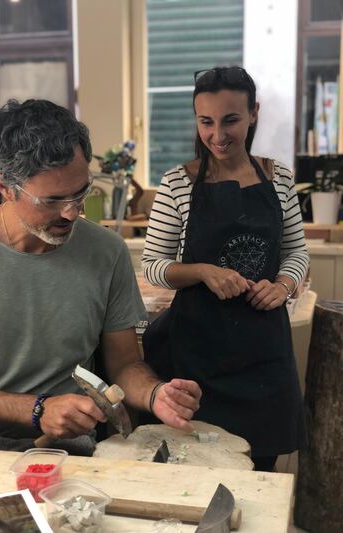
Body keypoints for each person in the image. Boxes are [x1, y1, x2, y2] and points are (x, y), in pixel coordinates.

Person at [0, 99, 201, 453]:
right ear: (4, 186)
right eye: (52, 200)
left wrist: (155, 394)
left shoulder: (106, 251)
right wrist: (37, 411)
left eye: (81, 193)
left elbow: (125, 365)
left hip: (67, 452)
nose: (71, 212)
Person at [142, 67, 310, 472]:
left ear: (253, 113)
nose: (218, 135)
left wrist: (285, 284)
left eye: (231, 120)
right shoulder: (178, 183)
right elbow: (152, 266)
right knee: (193, 470)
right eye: (206, 122)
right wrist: (201, 271)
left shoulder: (279, 177)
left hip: (262, 353)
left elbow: (296, 253)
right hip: (196, 354)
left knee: (260, 474)